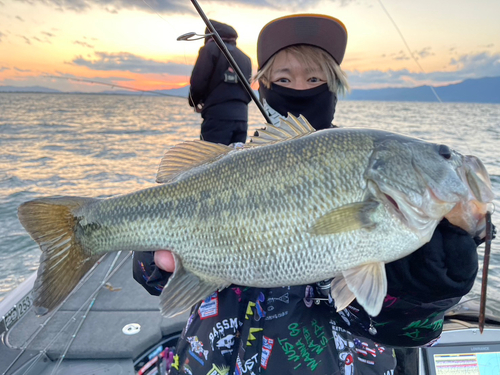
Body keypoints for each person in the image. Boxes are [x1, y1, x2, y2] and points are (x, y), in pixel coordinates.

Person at [133, 14, 483, 374]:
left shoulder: (379, 189)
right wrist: (147, 244)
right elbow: (153, 280)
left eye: (314, 78)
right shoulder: (226, 167)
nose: (300, 88)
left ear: (334, 86)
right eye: (284, 78)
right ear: (263, 85)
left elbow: (406, 332)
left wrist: (424, 293)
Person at [188, 20, 252, 146]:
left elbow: (199, 80)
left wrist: (194, 102)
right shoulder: (245, 57)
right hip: (242, 118)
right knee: (236, 162)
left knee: (211, 161)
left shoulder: (210, 49)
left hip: (217, 118)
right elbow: (247, 88)